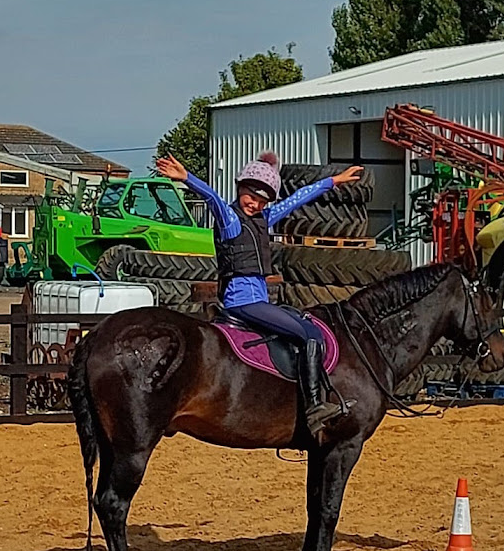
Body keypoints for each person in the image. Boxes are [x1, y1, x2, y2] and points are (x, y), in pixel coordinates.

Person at [156, 151, 363, 436]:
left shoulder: (264, 218)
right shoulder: (230, 219)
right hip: (242, 303)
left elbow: (295, 200)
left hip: (261, 300)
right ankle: (316, 407)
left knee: (302, 322)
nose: (255, 204)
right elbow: (213, 199)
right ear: (240, 189)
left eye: (262, 201)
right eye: (250, 197)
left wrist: (332, 182)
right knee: (310, 335)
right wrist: (187, 178)